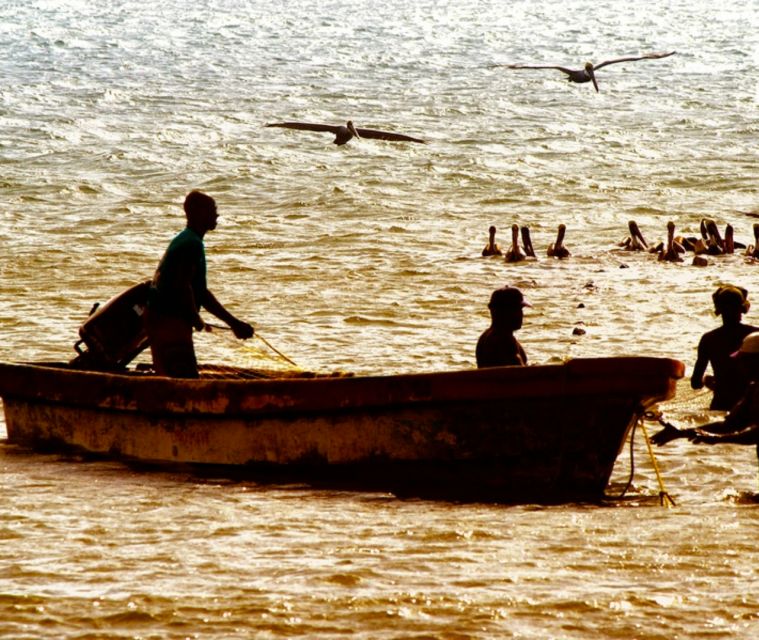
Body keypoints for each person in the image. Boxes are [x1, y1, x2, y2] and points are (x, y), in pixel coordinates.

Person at [146, 190, 254, 378]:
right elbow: (182, 285)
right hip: (169, 320)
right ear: (198, 213)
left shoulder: (190, 240)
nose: (216, 215)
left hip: (162, 318)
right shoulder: (191, 244)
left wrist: (233, 323)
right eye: (212, 210)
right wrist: (196, 318)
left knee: (171, 376)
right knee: (182, 379)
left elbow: (201, 293)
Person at [651, 332, 759, 474]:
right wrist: (681, 432)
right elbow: (730, 425)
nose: (740, 366)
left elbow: (756, 434)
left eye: (745, 360)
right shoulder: (754, 389)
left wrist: (717, 439)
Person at [690, 285, 757, 410]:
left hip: (721, 404)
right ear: (743, 309)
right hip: (751, 405)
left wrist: (709, 382)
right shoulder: (755, 336)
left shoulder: (708, 339)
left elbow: (695, 383)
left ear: (718, 310)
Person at [476, 286, 530, 368]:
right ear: (502, 311)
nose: (521, 315)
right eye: (516, 309)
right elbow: (519, 375)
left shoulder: (486, 336)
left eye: (521, 310)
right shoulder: (503, 340)